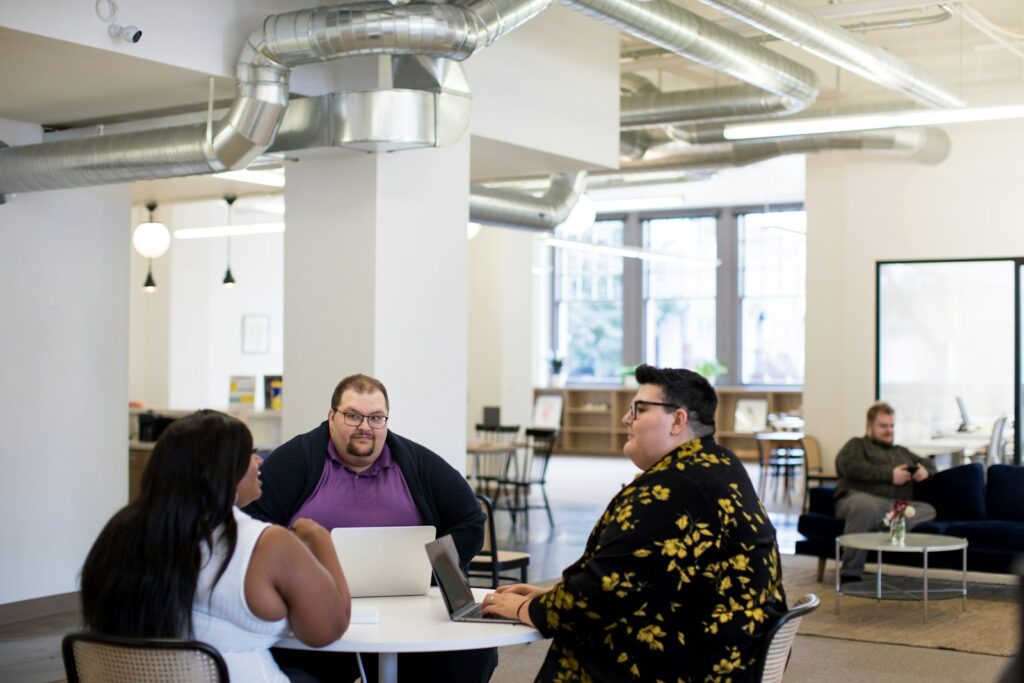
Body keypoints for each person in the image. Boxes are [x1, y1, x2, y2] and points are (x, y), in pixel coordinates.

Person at [481, 365, 787, 682]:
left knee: (584, 641)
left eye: (639, 409)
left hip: (699, 660)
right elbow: (639, 577)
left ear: (678, 420)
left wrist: (523, 610)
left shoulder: (670, 490)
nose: (627, 419)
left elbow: (595, 599)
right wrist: (550, 596)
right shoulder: (719, 462)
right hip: (733, 646)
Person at [244, 373, 492, 683]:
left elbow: (470, 521)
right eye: (353, 416)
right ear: (331, 416)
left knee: (469, 657)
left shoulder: (416, 463)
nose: (365, 426)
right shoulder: (296, 460)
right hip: (316, 608)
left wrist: (426, 570)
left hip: (410, 604)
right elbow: (251, 522)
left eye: (376, 418)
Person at [80, 410, 351, 683]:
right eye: (250, 453)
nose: (259, 461)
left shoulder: (118, 533)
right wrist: (321, 540)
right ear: (221, 470)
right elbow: (328, 630)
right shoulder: (266, 543)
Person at [834, 401, 937, 581]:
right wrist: (890, 475)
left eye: (891, 426)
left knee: (928, 510)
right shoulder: (857, 445)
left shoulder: (901, 451)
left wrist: (924, 471)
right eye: (883, 426)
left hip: (895, 507)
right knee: (866, 506)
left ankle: (884, 524)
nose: (889, 430)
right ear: (869, 426)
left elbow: (929, 464)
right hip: (859, 499)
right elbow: (848, 467)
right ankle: (850, 572)